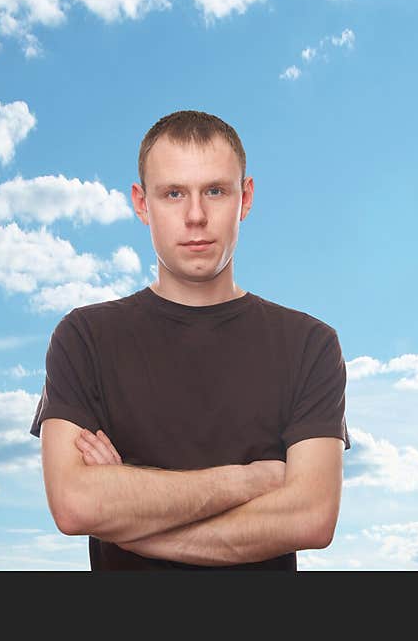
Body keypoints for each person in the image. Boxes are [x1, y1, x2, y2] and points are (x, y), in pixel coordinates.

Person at [29, 110, 351, 570]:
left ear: (246, 198)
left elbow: (312, 519)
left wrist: (127, 515)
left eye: (215, 191)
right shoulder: (84, 338)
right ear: (142, 204)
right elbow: (75, 504)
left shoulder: (310, 345)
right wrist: (247, 482)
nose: (196, 216)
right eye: (173, 193)